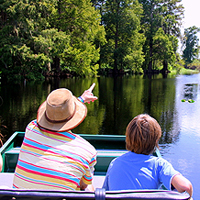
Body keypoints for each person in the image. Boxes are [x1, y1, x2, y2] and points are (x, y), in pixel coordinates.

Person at [13, 83, 98, 191]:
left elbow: (49, 118)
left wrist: (81, 99)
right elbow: (83, 186)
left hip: (20, 198)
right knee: (89, 187)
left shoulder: (31, 129)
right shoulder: (87, 150)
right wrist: (78, 101)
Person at [103, 114, 193, 197]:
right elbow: (185, 187)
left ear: (128, 138)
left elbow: (105, 193)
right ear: (155, 141)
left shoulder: (115, 163)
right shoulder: (159, 165)